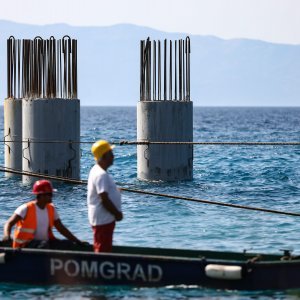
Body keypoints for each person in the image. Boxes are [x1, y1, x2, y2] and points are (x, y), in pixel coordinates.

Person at [3, 179, 83, 249]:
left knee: (67, 244)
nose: (51, 197)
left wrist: (77, 241)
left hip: (44, 242)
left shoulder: (51, 209)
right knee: (43, 245)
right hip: (25, 245)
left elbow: (61, 228)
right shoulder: (26, 208)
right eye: (49, 194)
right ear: (40, 195)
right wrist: (7, 236)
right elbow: (9, 223)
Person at [87, 140, 123, 253]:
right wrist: (117, 213)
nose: (113, 156)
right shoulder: (100, 174)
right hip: (103, 219)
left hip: (103, 219)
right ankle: (99, 270)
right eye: (110, 154)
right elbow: (104, 199)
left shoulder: (97, 170)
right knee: (102, 249)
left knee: (103, 246)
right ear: (104, 156)